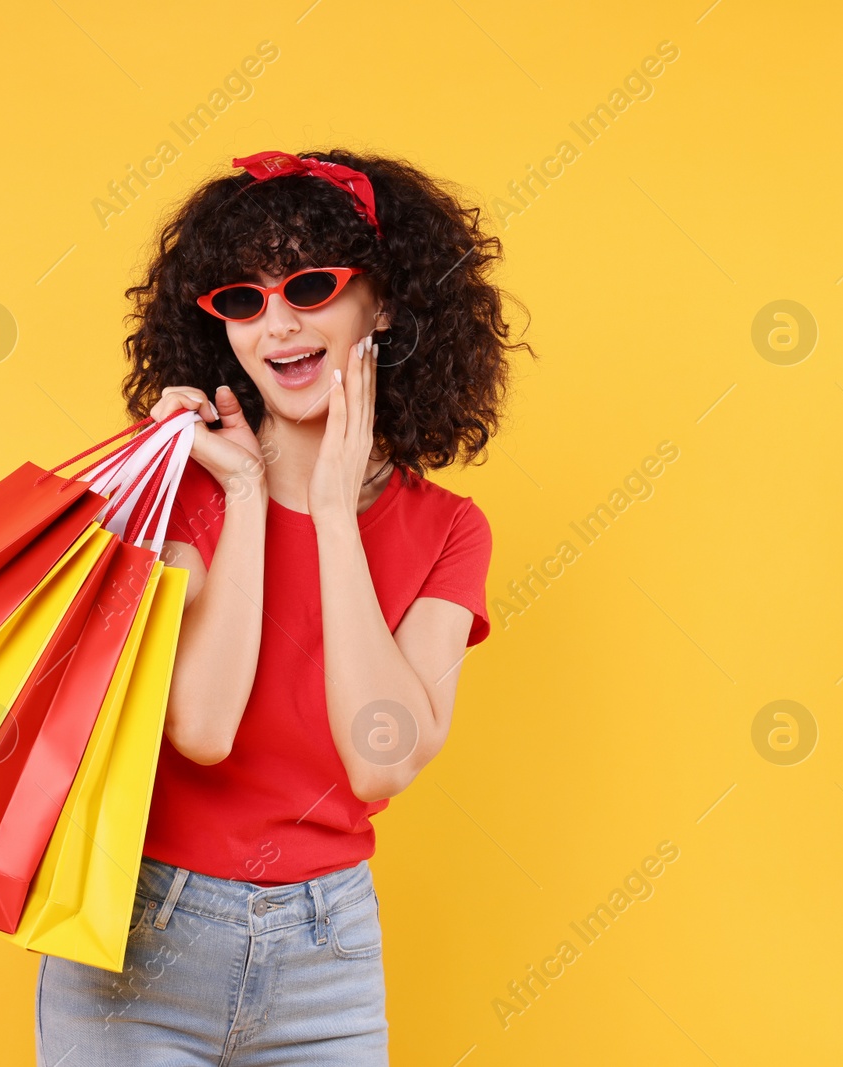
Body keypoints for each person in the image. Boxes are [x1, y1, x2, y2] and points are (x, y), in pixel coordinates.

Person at [36, 148, 532, 1066]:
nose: (278, 325)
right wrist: (252, 496)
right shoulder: (181, 487)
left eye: (309, 285)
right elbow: (204, 726)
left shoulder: (451, 529)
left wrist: (337, 515)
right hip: (141, 941)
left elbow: (381, 760)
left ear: (381, 303)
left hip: (328, 957)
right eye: (244, 299)